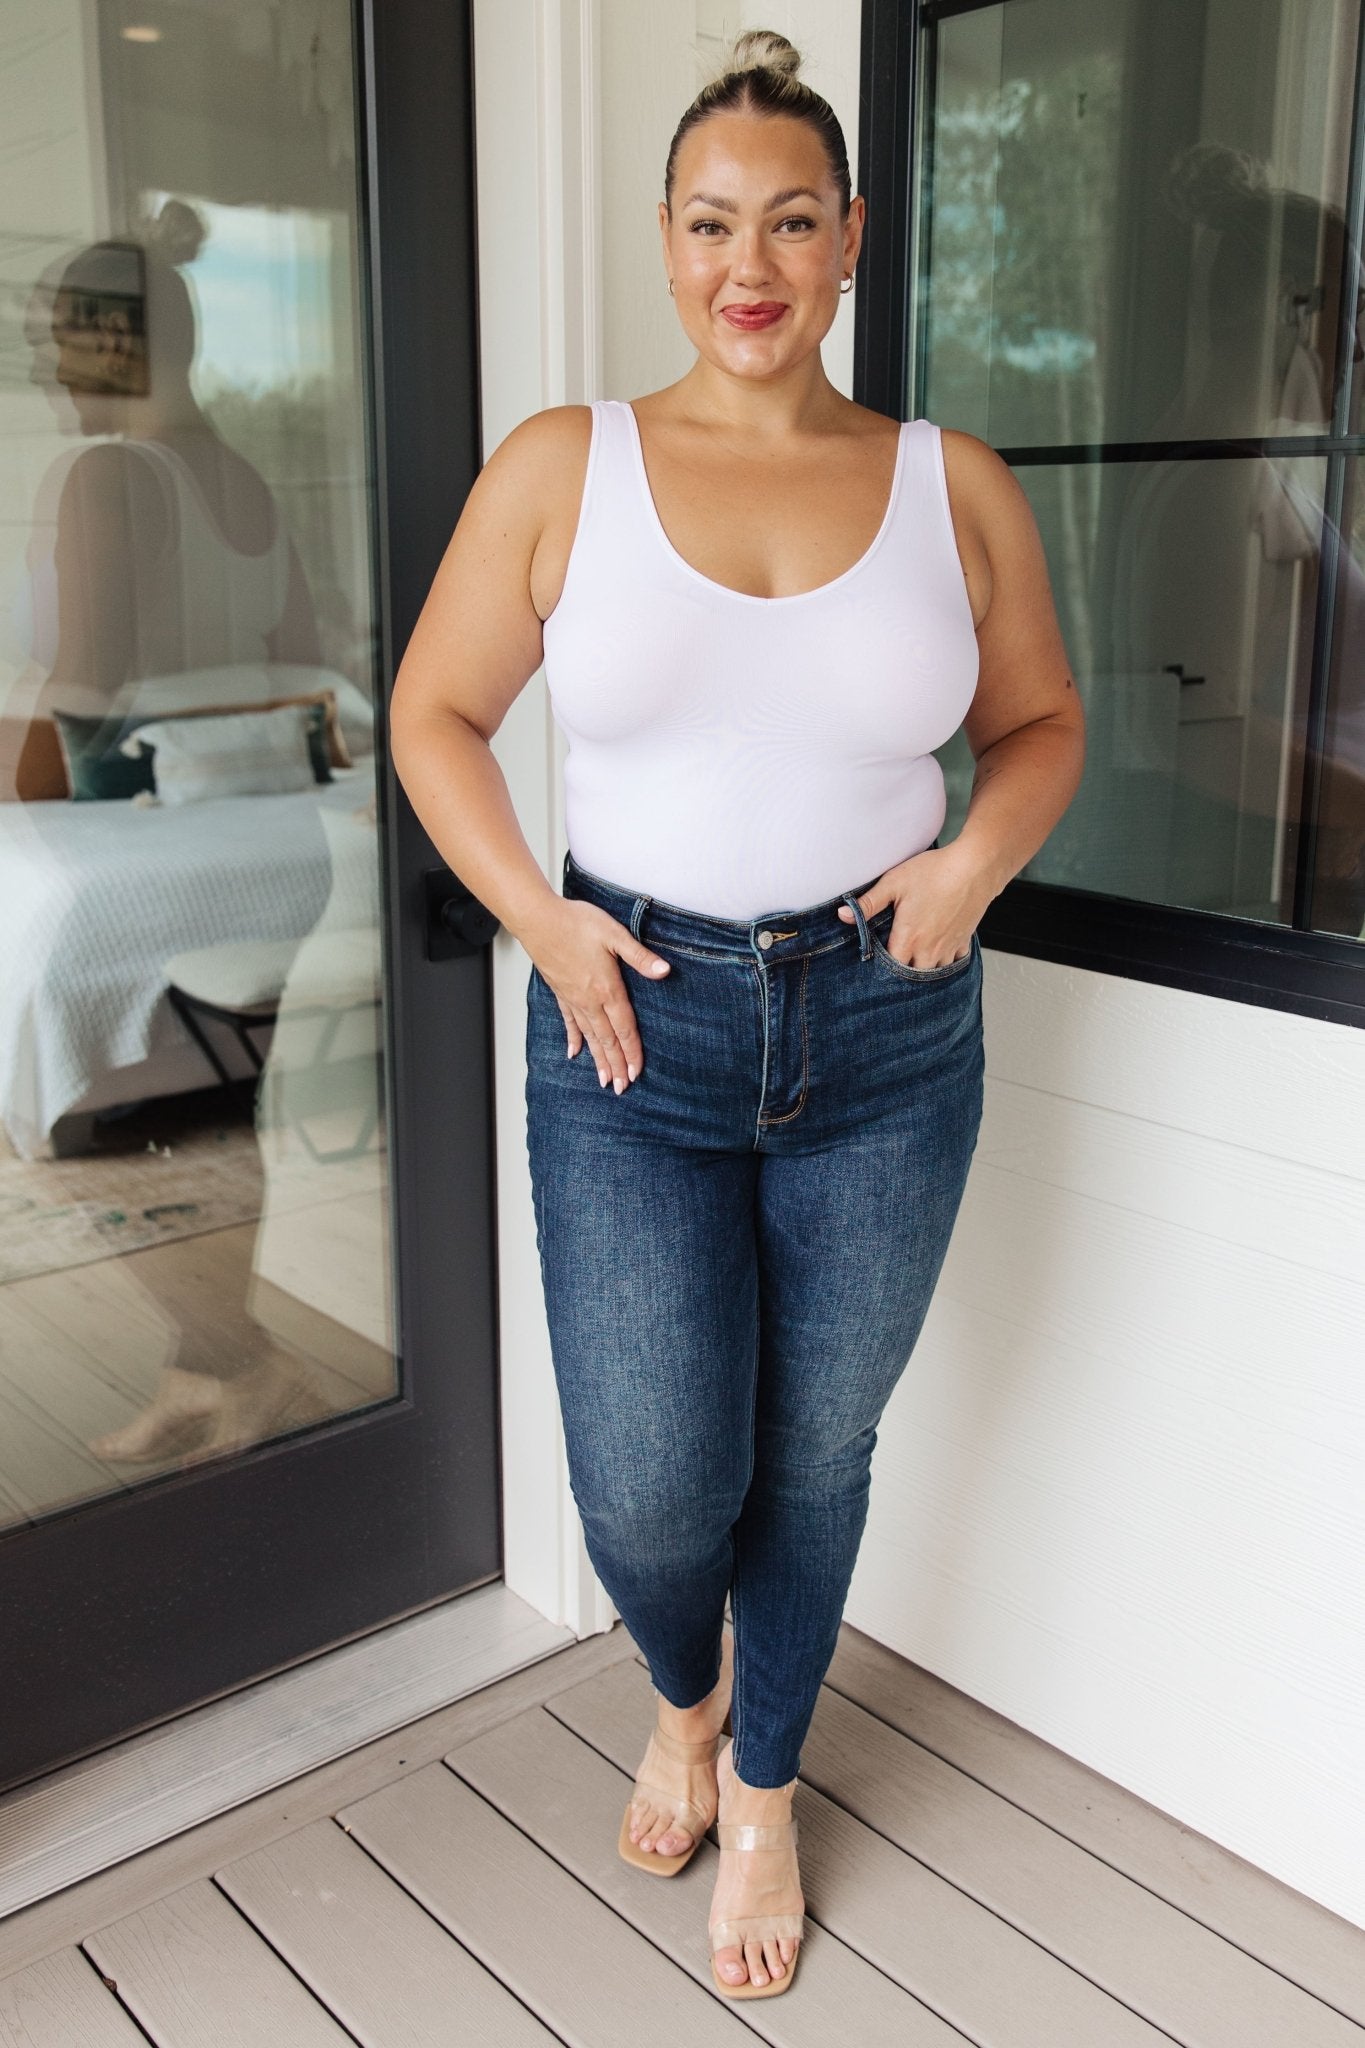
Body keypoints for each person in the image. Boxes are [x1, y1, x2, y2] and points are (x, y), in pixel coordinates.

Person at [390, 26, 1083, 2002]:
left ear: (849, 235)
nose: (747, 264)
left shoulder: (950, 485)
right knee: (644, 1480)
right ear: (664, 237)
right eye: (709, 223)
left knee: (815, 1449)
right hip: (632, 1023)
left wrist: (966, 866)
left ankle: (759, 1781)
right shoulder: (564, 466)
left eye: (788, 221)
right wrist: (541, 921)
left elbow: (1040, 724)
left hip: (884, 1033)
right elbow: (435, 715)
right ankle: (682, 1697)